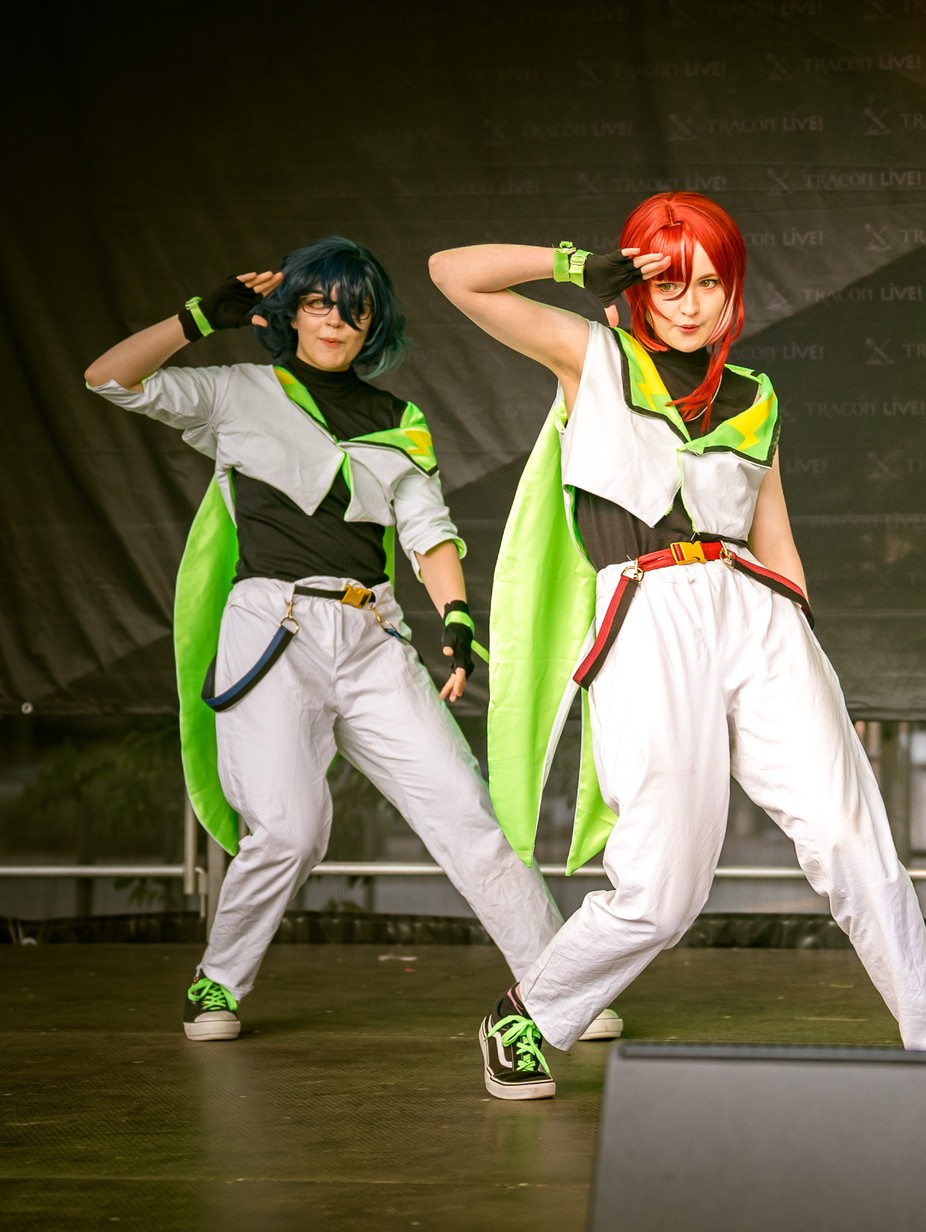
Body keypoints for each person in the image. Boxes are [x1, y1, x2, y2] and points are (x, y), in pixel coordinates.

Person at [429, 192, 926, 1101]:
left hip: (758, 610)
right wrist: (574, 266)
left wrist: (808, 654)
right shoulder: (594, 357)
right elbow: (453, 274)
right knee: (664, 888)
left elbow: (775, 536)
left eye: (709, 283)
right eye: (669, 281)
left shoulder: (756, 395)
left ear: (734, 289)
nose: (689, 302)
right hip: (648, 608)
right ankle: (528, 1013)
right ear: (638, 284)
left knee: (851, 832)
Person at [83, 238, 621, 1045]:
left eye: (354, 309)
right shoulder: (238, 391)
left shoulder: (398, 419)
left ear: (374, 324)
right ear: (292, 312)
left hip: (373, 634)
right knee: (291, 830)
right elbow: (107, 378)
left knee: (467, 815)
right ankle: (217, 980)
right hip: (273, 632)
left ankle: (560, 989)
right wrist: (193, 321)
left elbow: (428, 530)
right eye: (318, 303)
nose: (336, 321)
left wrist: (456, 618)